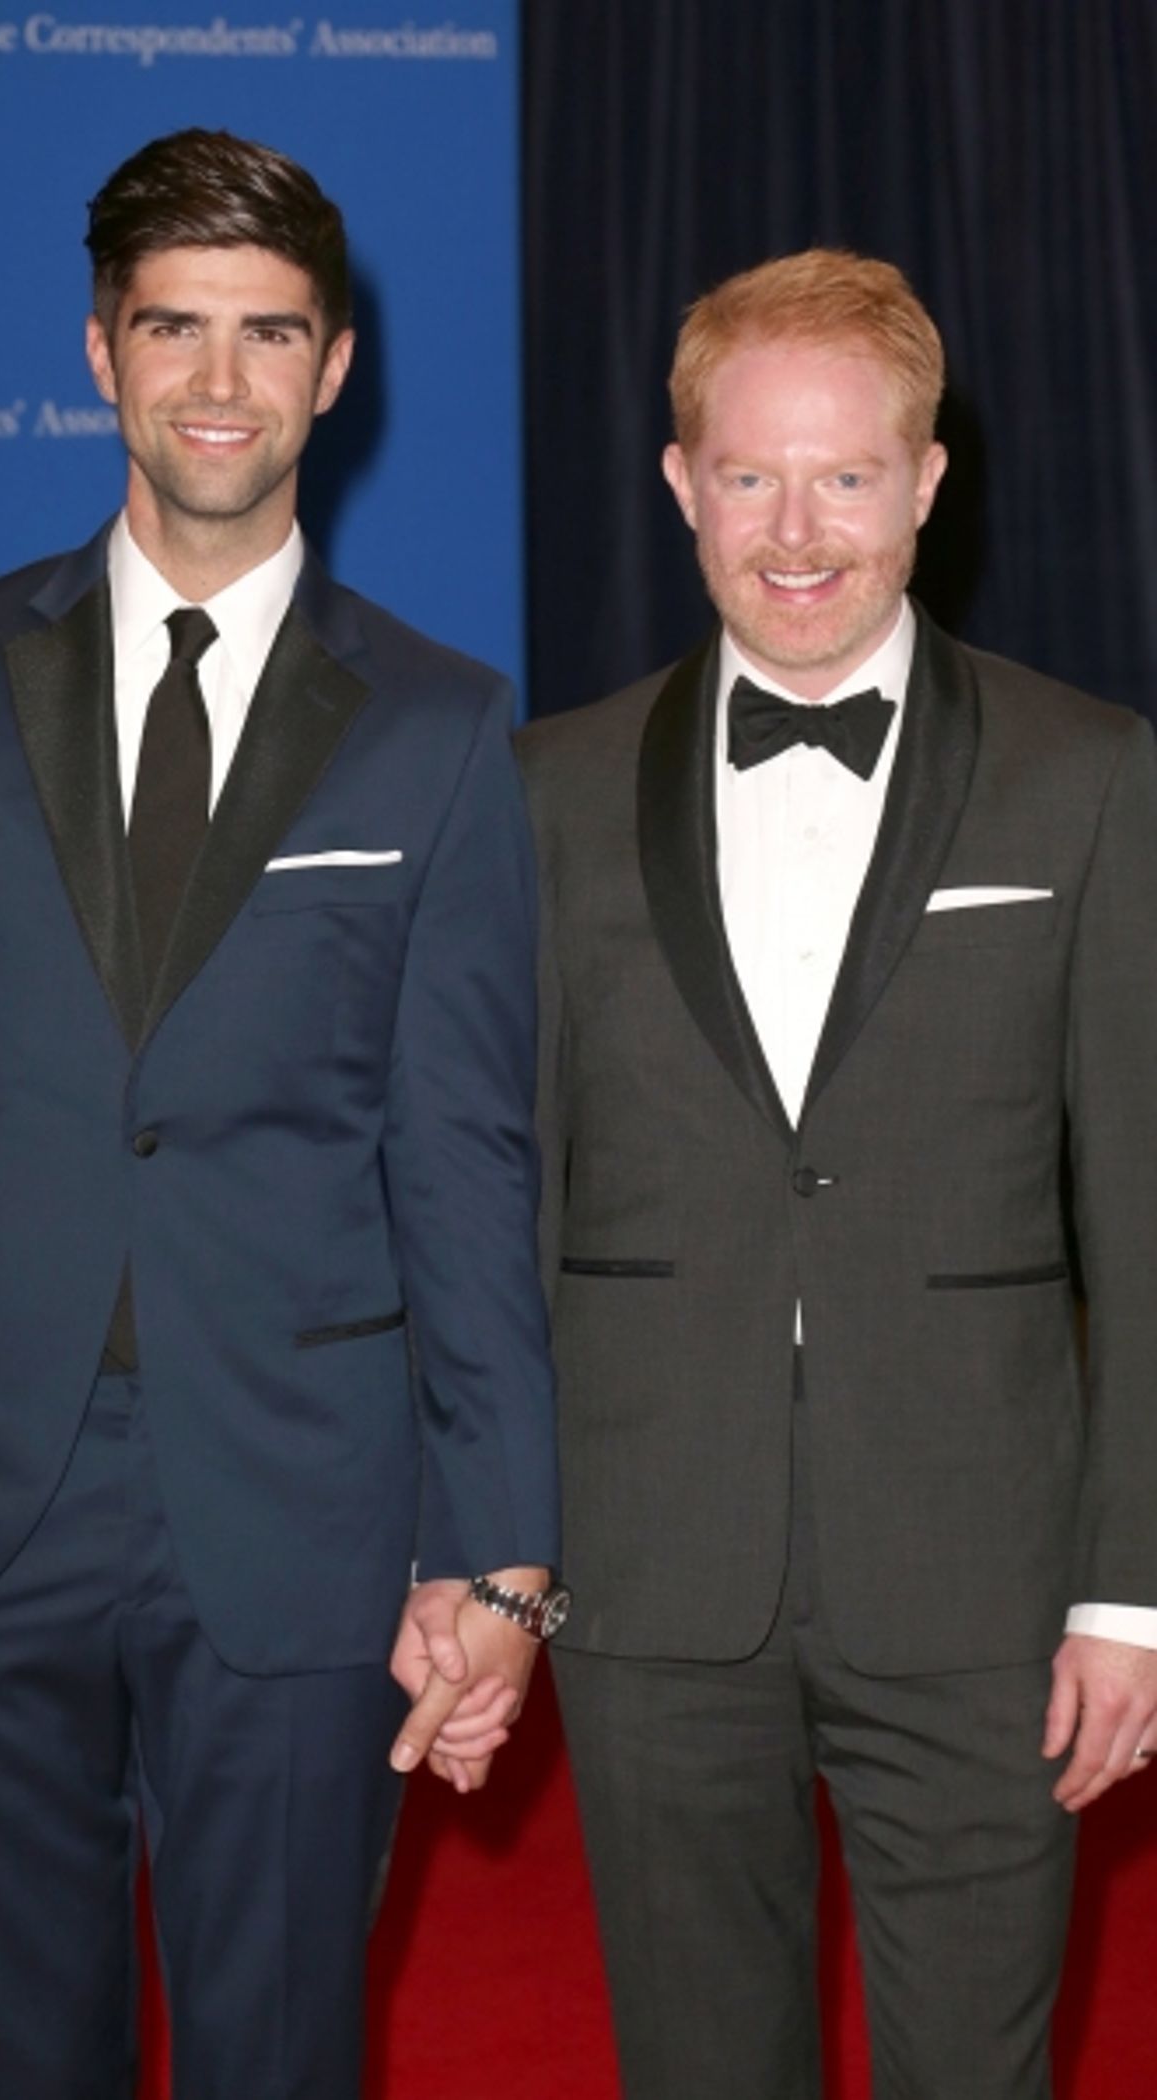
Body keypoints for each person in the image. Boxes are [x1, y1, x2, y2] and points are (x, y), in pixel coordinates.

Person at [0, 126, 562, 2100]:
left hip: (300, 1507)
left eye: (266, 333)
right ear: (99, 355)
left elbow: (463, 1154)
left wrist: (502, 1547)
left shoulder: (444, 725)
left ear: (336, 368)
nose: (220, 380)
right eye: (174, 329)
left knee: (278, 2049)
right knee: (11, 2051)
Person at [517, 248, 1157, 2098]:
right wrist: (485, 1557)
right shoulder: (544, 792)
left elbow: (1142, 1205)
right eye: (750, 476)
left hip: (985, 1585)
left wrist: (1129, 1594)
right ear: (679, 482)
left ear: (929, 480)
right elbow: (499, 1200)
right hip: (646, 1586)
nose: (798, 533)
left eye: (849, 477)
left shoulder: (1089, 775)